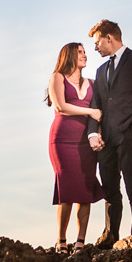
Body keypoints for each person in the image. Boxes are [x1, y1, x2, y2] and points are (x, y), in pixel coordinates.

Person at [86, 19, 132, 247]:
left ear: (109, 38)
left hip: (128, 133)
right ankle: (110, 234)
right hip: (106, 139)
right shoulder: (100, 70)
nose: (95, 47)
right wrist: (93, 133)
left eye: (97, 42)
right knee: (110, 189)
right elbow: (96, 105)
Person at [45, 42, 103, 249]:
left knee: (85, 190)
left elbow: (100, 114)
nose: (85, 55)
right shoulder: (57, 78)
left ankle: (80, 242)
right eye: (80, 52)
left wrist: (99, 134)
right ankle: (61, 241)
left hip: (85, 141)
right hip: (62, 140)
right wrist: (90, 112)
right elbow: (61, 106)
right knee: (67, 190)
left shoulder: (93, 83)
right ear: (69, 55)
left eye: (85, 52)